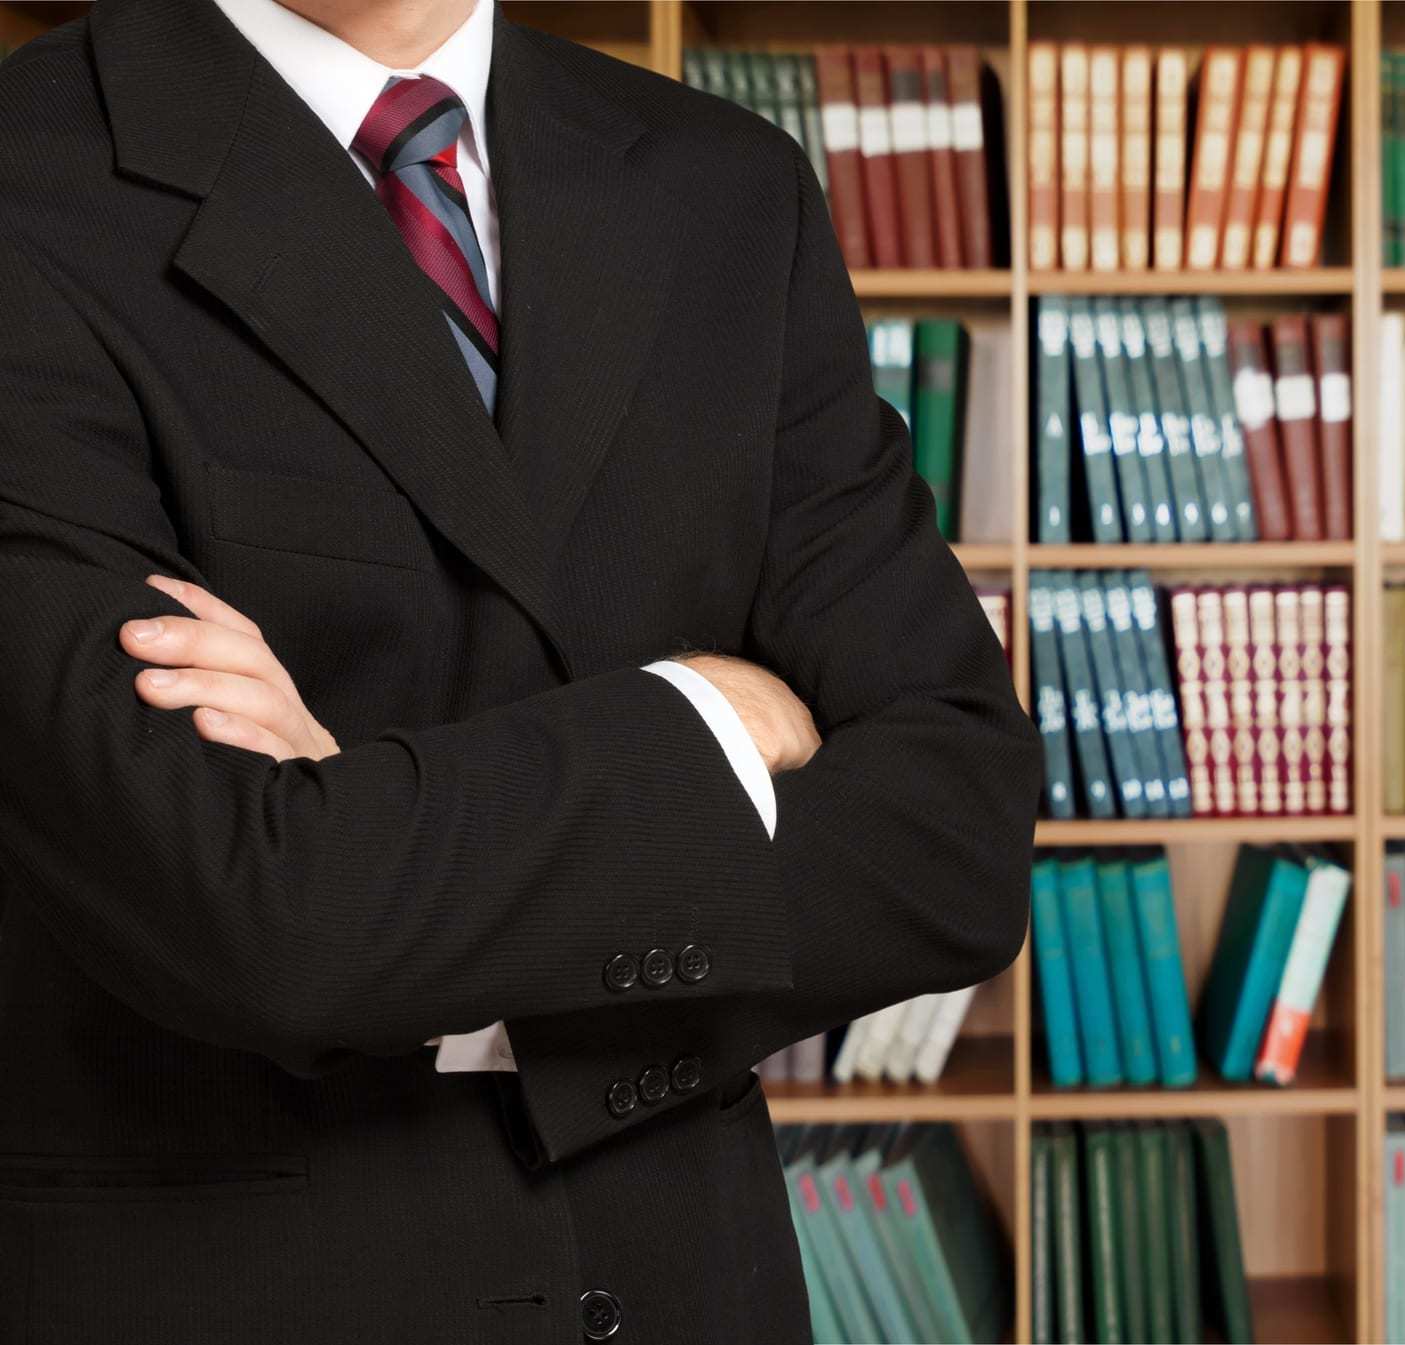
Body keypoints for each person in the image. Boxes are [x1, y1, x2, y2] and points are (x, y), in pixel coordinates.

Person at [0, 0, 1038, 1339]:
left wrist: (364, 822)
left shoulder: (730, 191)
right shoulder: (32, 184)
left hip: (682, 1286)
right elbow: (251, 902)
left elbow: (957, 826)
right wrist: (713, 717)